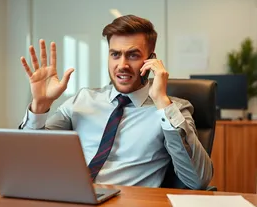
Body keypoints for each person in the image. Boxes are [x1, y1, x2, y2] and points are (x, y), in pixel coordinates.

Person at [19, 15, 213, 189]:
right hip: (71, 196)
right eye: (115, 54)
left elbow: (198, 180)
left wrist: (162, 102)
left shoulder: (173, 109)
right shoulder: (82, 100)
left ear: (151, 60)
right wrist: (40, 106)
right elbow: (30, 157)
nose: (122, 65)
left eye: (133, 55)